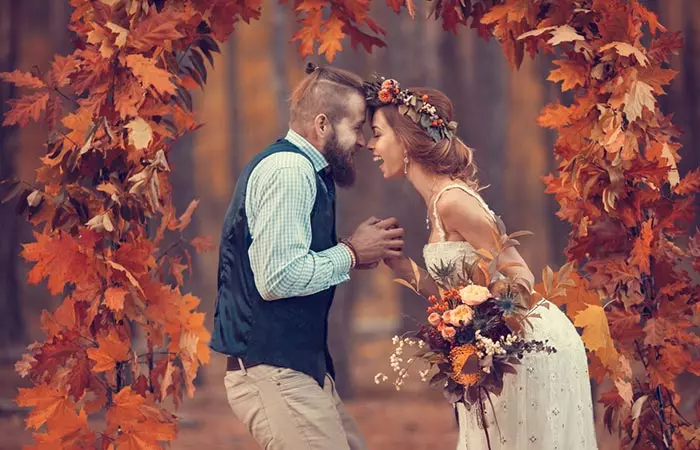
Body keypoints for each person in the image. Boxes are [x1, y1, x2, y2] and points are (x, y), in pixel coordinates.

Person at [366, 78, 598, 449]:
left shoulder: (452, 201)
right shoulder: (437, 206)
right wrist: (399, 265)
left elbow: (518, 271)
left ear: (406, 139)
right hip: (495, 350)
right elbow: (453, 296)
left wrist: (487, 336)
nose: (370, 145)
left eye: (377, 134)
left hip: (529, 342)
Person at [210, 64, 405, 450]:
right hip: (274, 373)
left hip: (298, 371)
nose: (364, 142)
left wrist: (350, 252)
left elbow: (287, 263)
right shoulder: (289, 170)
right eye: (356, 127)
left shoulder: (306, 171)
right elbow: (277, 279)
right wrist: (350, 253)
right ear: (322, 125)